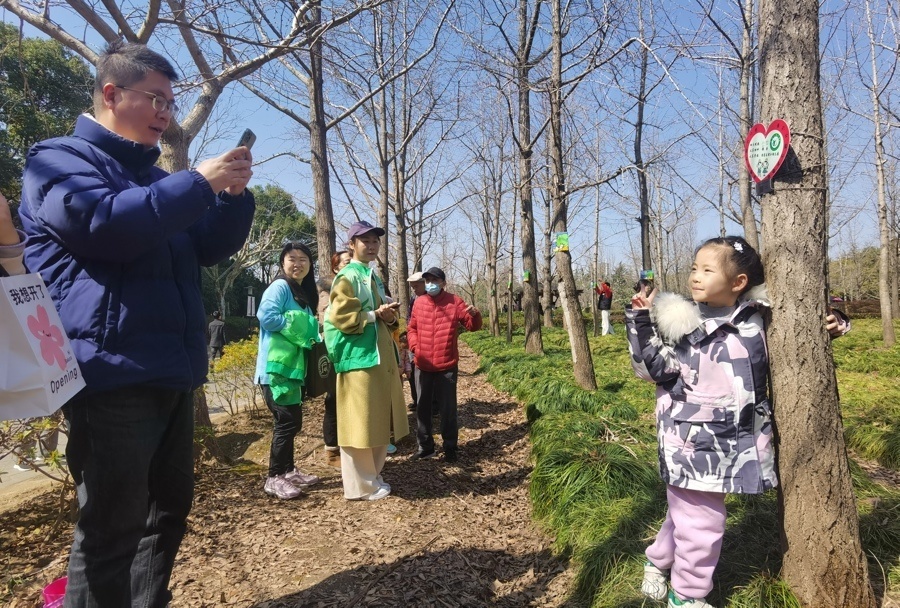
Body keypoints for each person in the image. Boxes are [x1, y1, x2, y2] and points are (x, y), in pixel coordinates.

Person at [18, 41, 255, 607]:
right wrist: (198, 183)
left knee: (165, 517)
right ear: (110, 94)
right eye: (155, 98)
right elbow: (107, 226)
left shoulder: (154, 182)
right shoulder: (56, 161)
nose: (165, 113)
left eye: (170, 102)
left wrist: (230, 199)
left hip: (170, 370)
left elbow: (204, 249)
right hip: (110, 372)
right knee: (111, 530)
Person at [625, 236, 773, 607]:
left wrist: (835, 323)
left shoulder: (758, 317)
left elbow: (809, 326)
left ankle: (657, 562)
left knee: (689, 515)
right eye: (694, 268)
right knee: (703, 521)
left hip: (738, 441)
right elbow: (651, 370)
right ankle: (687, 595)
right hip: (691, 443)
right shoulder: (681, 323)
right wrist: (641, 319)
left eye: (707, 270)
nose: (695, 276)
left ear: (738, 282)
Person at [324, 221, 409, 500]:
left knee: (376, 420)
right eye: (365, 241)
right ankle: (360, 487)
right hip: (358, 359)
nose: (371, 246)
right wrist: (375, 315)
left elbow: (380, 314)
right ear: (352, 244)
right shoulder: (347, 277)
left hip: (377, 357)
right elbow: (343, 319)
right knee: (359, 422)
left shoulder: (370, 276)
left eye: (375, 241)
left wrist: (388, 316)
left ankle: (372, 478)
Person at [255, 242, 323, 500]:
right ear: (282, 263)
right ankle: (274, 477)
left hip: (293, 370)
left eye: (303, 259)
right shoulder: (280, 286)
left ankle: (288, 470)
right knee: (285, 422)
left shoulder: (301, 293)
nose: (298, 264)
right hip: (275, 370)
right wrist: (298, 327)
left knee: (293, 422)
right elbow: (267, 317)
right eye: (292, 258)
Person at [407, 267, 482, 463]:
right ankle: (425, 447)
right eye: (428, 280)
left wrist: (474, 315)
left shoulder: (454, 301)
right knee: (422, 409)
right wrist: (415, 346)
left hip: (446, 365)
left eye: (435, 280)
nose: (431, 283)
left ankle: (450, 447)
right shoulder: (419, 302)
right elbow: (412, 328)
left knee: (448, 410)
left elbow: (472, 326)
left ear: (443, 283)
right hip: (422, 364)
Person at [317, 249, 351, 470]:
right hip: (333, 353)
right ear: (336, 267)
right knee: (333, 402)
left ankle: (347, 446)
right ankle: (331, 452)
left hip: (350, 354)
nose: (351, 265)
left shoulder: (353, 286)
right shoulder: (327, 291)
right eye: (347, 262)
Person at [405, 271, 426, 411]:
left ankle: (432, 404)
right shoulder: (414, 300)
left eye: (416, 286)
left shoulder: (430, 299)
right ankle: (417, 400)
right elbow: (410, 319)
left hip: (426, 343)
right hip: (413, 342)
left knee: (426, 376)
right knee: (413, 372)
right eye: (412, 286)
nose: (414, 289)